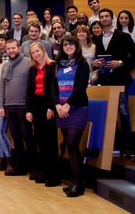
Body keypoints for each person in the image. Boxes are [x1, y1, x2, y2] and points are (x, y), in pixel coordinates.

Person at [92, 8, 135, 158]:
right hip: (105, 81)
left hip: (120, 79)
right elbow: (96, 61)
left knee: (123, 111)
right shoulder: (96, 39)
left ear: (112, 18)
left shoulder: (123, 36)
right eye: (102, 17)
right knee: (108, 112)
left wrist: (120, 62)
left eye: (107, 16)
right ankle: (113, 144)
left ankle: (127, 145)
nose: (104, 18)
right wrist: (95, 63)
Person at [52, 35, 90, 197]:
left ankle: (78, 183)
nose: (68, 47)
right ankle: (76, 181)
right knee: (69, 145)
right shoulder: (57, 65)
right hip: (61, 110)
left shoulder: (82, 64)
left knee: (73, 144)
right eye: (65, 44)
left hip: (77, 108)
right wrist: (58, 106)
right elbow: (53, 88)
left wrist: (68, 104)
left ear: (76, 46)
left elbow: (81, 87)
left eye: (71, 44)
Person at [0, 39, 38, 178]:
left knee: (28, 137)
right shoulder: (5, 66)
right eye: (8, 49)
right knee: (16, 137)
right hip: (9, 106)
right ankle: (20, 167)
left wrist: (30, 107)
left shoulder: (29, 62)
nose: (11, 51)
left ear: (19, 48)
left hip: (24, 106)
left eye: (13, 48)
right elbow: (2, 87)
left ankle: (34, 168)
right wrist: (0, 105)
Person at [26, 42, 60, 187]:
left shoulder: (52, 66)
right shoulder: (32, 69)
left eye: (37, 51)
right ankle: (45, 173)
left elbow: (55, 88)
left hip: (48, 106)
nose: (36, 54)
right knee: (39, 140)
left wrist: (51, 107)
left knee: (49, 142)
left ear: (43, 50)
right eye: (33, 53)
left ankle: (54, 177)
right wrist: (28, 110)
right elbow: (29, 91)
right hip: (36, 106)